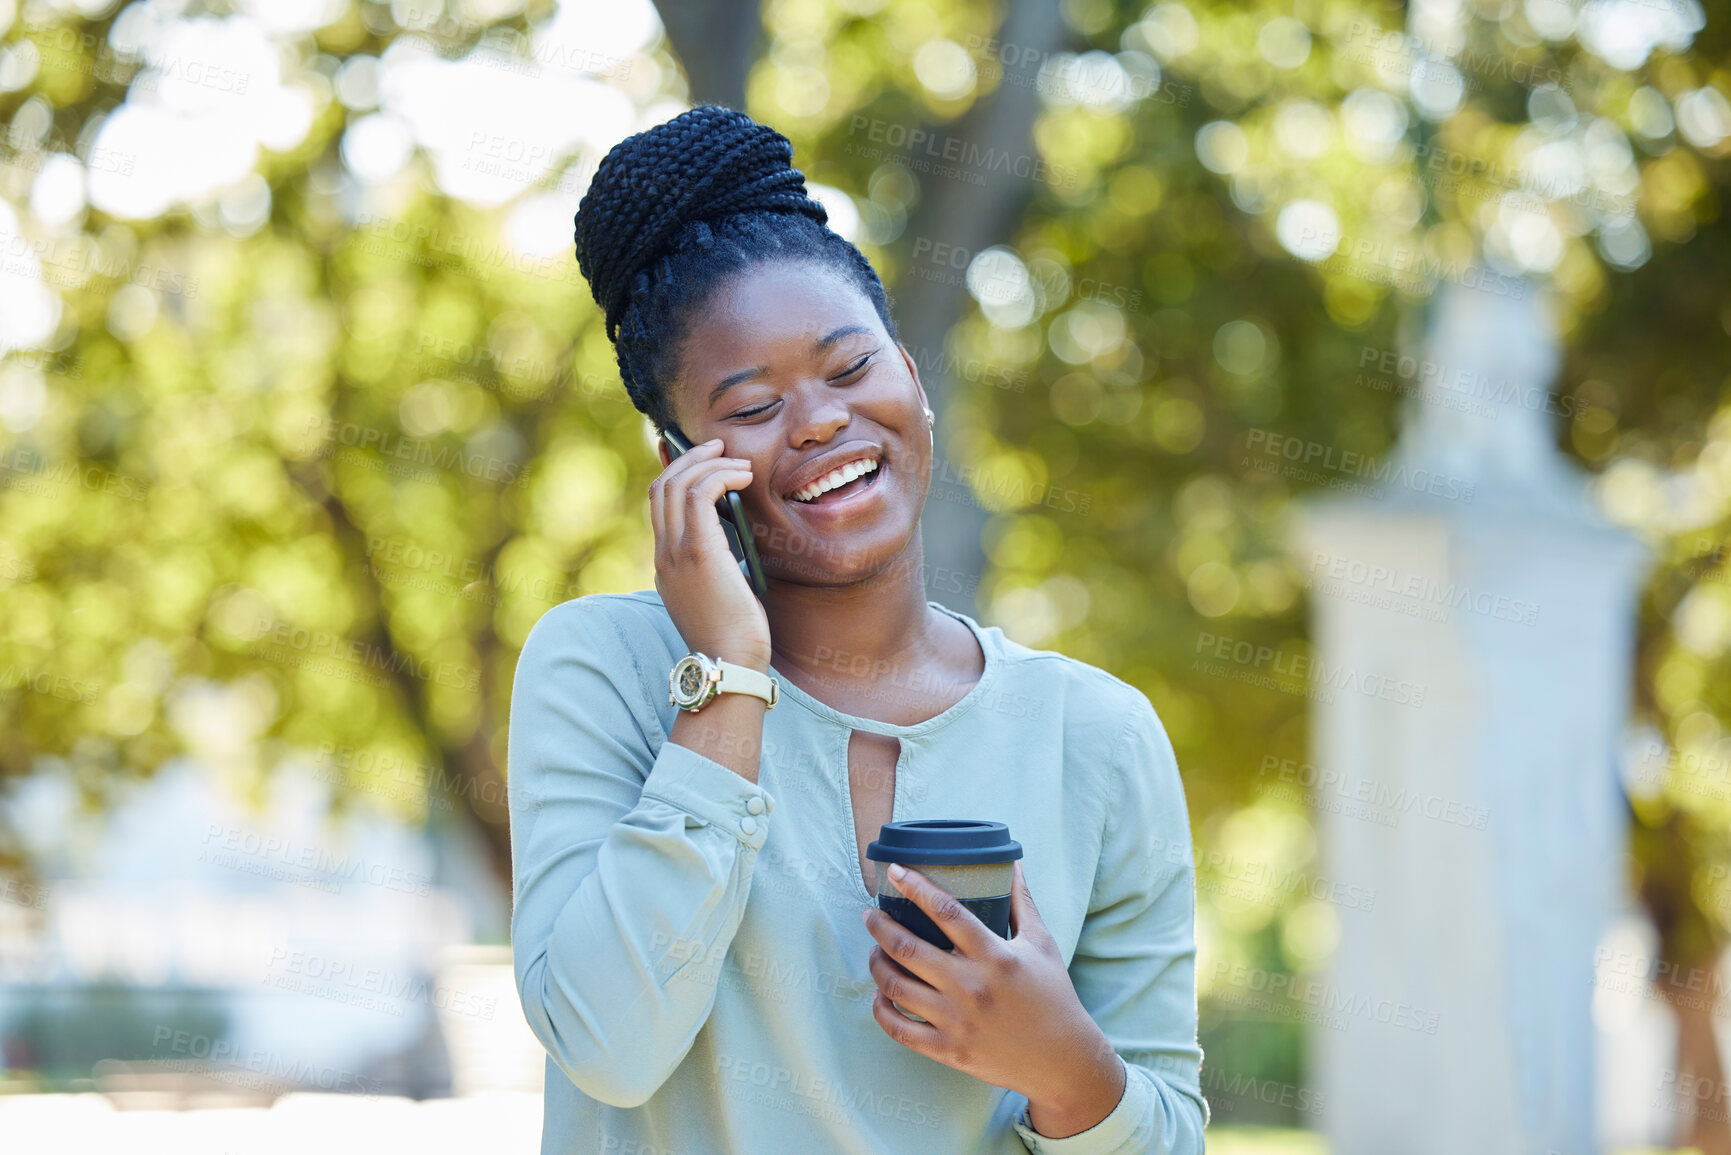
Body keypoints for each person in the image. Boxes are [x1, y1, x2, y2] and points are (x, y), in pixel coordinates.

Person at [508, 103, 1207, 1154]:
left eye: (848, 370)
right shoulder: (602, 670)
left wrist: (1071, 1073)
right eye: (750, 407)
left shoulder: (1097, 735)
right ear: (680, 470)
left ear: (913, 386)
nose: (822, 419)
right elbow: (608, 1045)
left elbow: (1172, 1135)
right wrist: (729, 680)